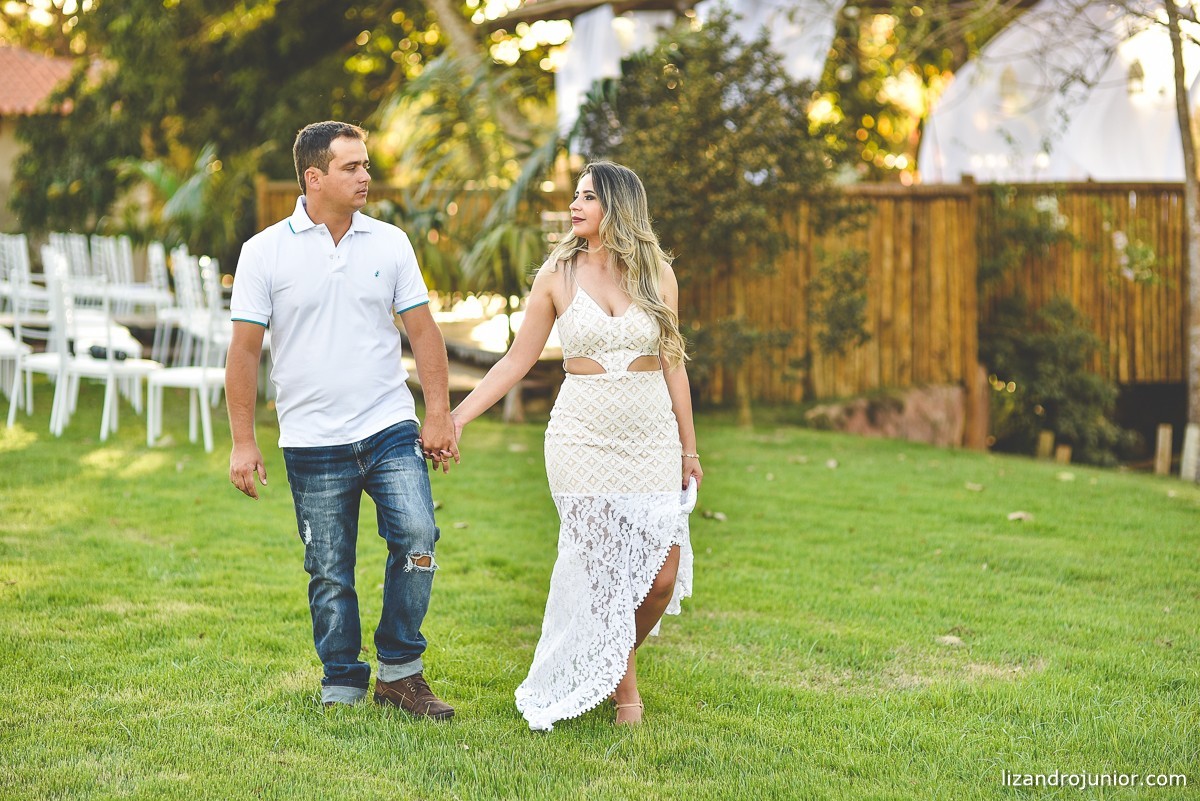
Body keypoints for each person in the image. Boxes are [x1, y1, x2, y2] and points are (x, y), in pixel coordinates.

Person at [451, 161, 703, 730]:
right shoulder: (557, 275)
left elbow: (673, 364)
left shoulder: (658, 275)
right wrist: (459, 416)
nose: (575, 205)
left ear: (618, 207)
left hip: (650, 436)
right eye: (576, 196)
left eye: (588, 197)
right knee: (604, 575)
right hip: (581, 436)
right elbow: (517, 360)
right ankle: (626, 700)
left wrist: (689, 449)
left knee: (661, 577)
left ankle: (607, 659)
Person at [226, 120, 459, 719]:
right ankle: (344, 679)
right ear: (314, 176)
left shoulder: (390, 243)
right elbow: (245, 351)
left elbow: (423, 331)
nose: (365, 177)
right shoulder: (263, 252)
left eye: (365, 166)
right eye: (352, 167)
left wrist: (438, 415)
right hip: (310, 440)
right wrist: (243, 442)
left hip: (388, 426)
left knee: (417, 537)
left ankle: (401, 672)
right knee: (329, 570)